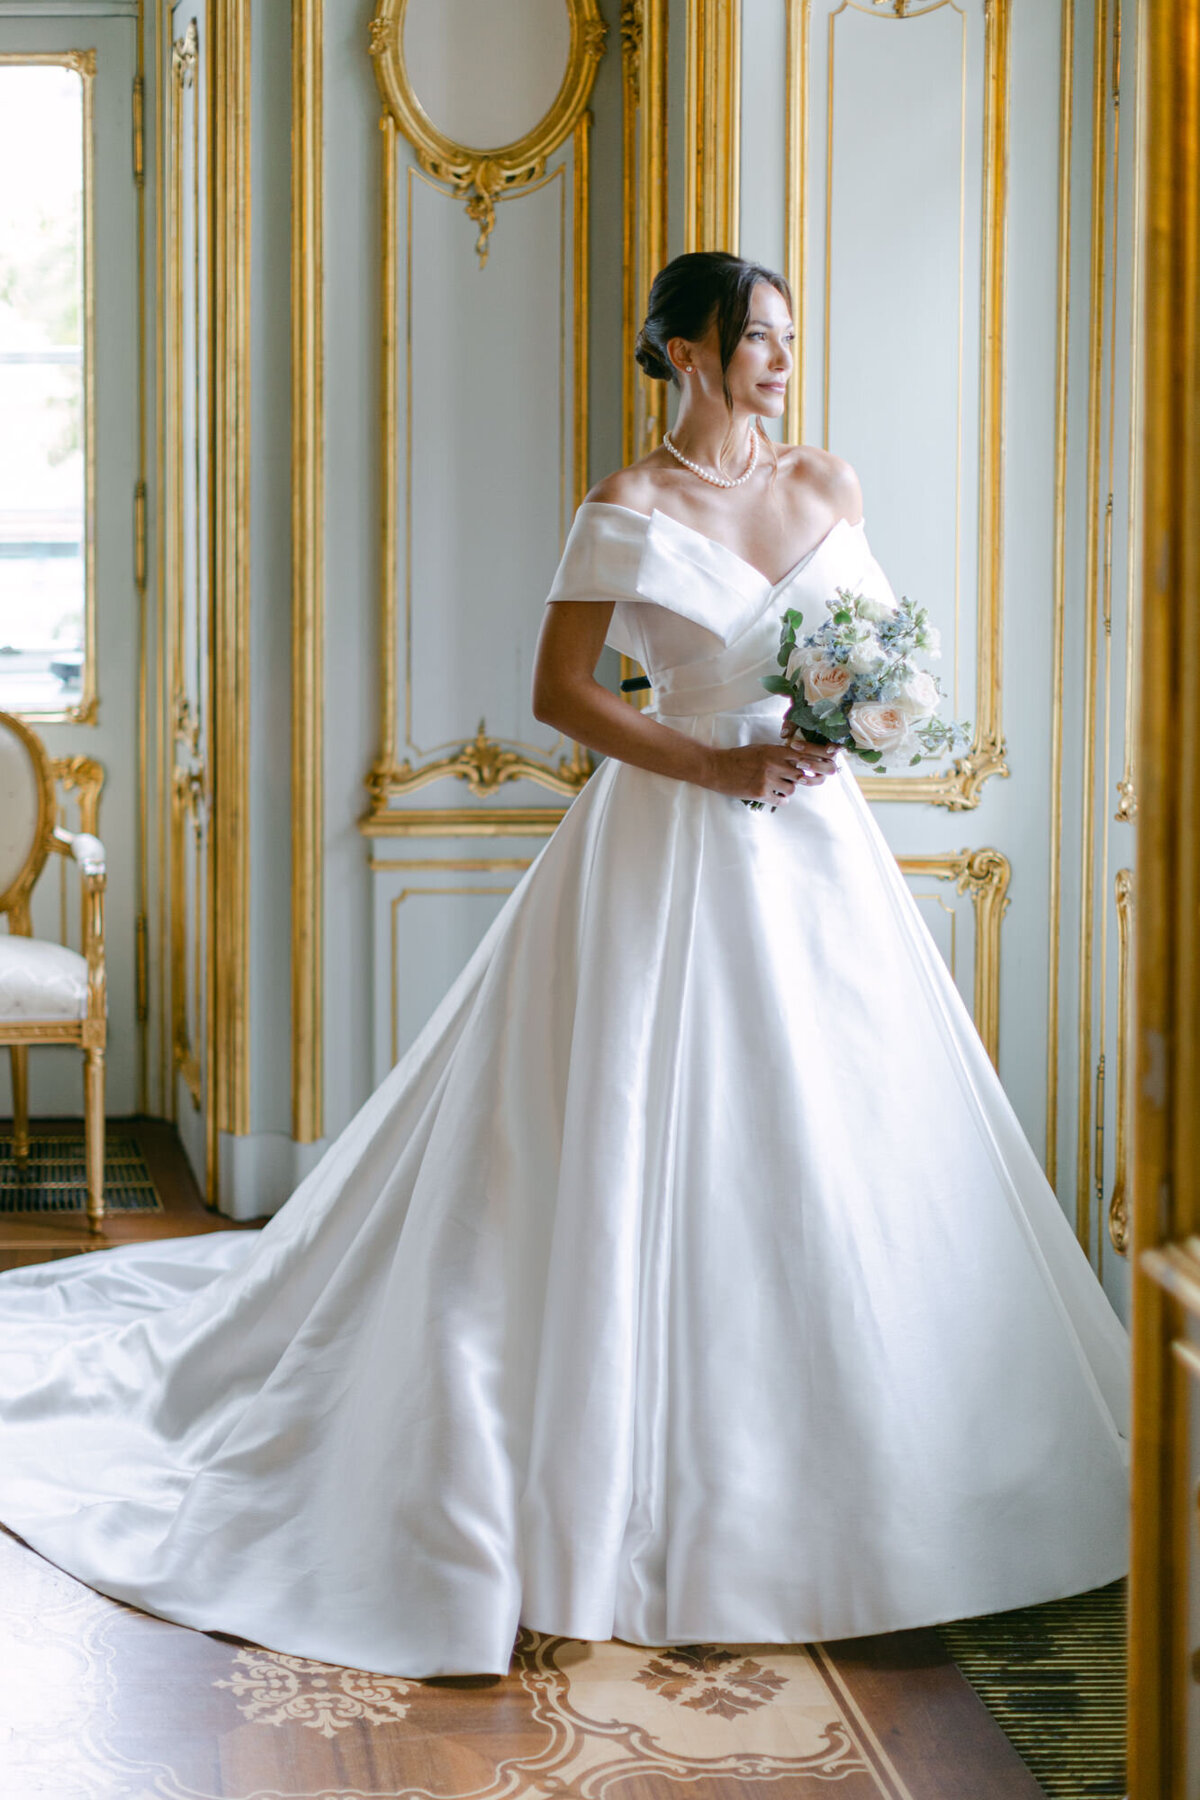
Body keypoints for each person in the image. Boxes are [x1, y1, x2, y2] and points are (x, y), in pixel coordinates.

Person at [0, 251, 1128, 1680]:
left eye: (787, 336)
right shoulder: (628, 508)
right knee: (638, 1140)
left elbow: (864, 654)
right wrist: (717, 758)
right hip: (677, 837)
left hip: (819, 851)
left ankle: (917, 1475)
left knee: (861, 1141)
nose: (782, 359)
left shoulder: (829, 483)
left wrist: (863, 713)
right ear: (686, 354)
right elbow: (561, 694)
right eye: (757, 340)